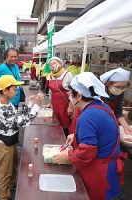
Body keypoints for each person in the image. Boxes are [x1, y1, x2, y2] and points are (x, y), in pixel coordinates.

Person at [53, 72, 127, 200]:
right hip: (107, 165)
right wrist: (76, 135)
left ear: (79, 95)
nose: (69, 97)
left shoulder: (88, 116)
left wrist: (68, 156)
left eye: (71, 94)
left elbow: (87, 152)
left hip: (98, 172)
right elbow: (99, 133)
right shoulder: (101, 106)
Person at [0, 75, 44, 200]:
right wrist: (37, 106)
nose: (17, 91)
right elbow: (21, 122)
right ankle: (4, 197)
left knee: (12, 166)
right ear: (5, 91)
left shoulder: (7, 104)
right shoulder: (2, 108)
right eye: (14, 89)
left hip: (9, 142)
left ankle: (13, 186)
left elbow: (18, 115)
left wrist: (31, 103)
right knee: (4, 172)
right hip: (4, 145)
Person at [45, 57, 73, 136]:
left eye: (54, 63)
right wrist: (50, 103)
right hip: (55, 104)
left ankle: (66, 141)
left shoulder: (68, 74)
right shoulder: (51, 75)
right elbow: (51, 91)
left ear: (60, 64)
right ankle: (57, 140)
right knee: (56, 123)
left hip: (65, 104)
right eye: (50, 64)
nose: (52, 66)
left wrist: (71, 106)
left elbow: (73, 91)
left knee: (65, 124)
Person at [100, 67, 132, 134]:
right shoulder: (99, 92)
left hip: (110, 121)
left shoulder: (120, 93)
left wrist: (126, 127)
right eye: (117, 86)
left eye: (123, 87)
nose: (120, 89)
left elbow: (118, 112)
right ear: (109, 83)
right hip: (98, 122)